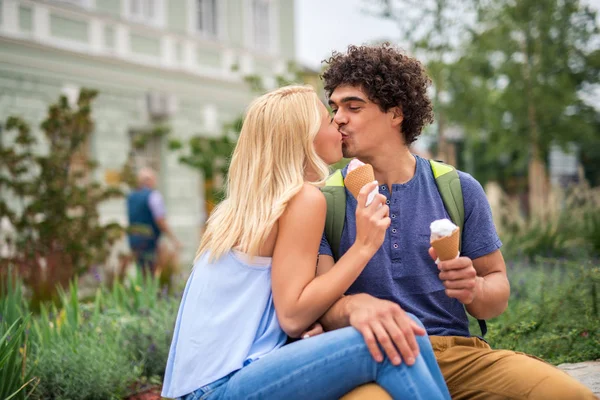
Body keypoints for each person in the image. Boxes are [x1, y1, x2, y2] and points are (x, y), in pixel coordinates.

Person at [316, 43, 595, 399]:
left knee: (569, 395)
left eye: (353, 107)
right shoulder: (326, 200)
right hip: (372, 360)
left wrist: (474, 289)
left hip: (458, 357)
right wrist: (353, 307)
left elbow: (497, 293)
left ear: (396, 114)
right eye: (335, 107)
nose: (338, 117)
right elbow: (321, 304)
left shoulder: (458, 188)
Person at [161, 85, 451, 400]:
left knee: (404, 327)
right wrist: (365, 246)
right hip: (217, 389)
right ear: (304, 138)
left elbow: (283, 308)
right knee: (392, 336)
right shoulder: (303, 199)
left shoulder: (244, 207)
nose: (339, 123)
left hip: (202, 388)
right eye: (329, 120)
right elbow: (293, 314)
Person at [126, 167, 181, 276]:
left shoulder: (131, 197)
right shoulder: (154, 196)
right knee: (153, 272)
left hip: (133, 240)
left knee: (141, 272)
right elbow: (160, 220)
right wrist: (174, 240)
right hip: (150, 240)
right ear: (150, 181)